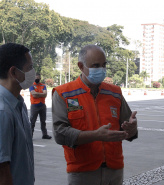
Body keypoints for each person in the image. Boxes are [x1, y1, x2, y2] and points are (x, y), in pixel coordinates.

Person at [52, 45, 138, 185]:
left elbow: (128, 128)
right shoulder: (63, 93)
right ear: (81, 66)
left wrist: (132, 129)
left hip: (114, 170)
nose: (101, 69)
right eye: (96, 65)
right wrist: (96, 135)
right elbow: (60, 134)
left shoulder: (115, 92)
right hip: (82, 172)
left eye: (104, 65)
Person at [0, 43, 35, 185]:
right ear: (14, 72)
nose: (33, 72)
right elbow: (2, 171)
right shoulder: (3, 111)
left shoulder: (18, 103)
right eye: (29, 68)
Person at [29, 73, 52, 139]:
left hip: (42, 105)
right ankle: (30, 135)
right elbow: (33, 94)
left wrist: (37, 94)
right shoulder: (31, 85)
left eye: (38, 78)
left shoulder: (43, 85)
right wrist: (41, 94)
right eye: (35, 78)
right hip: (34, 105)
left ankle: (44, 134)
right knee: (32, 121)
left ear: (40, 79)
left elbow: (45, 94)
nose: (37, 79)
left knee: (43, 121)